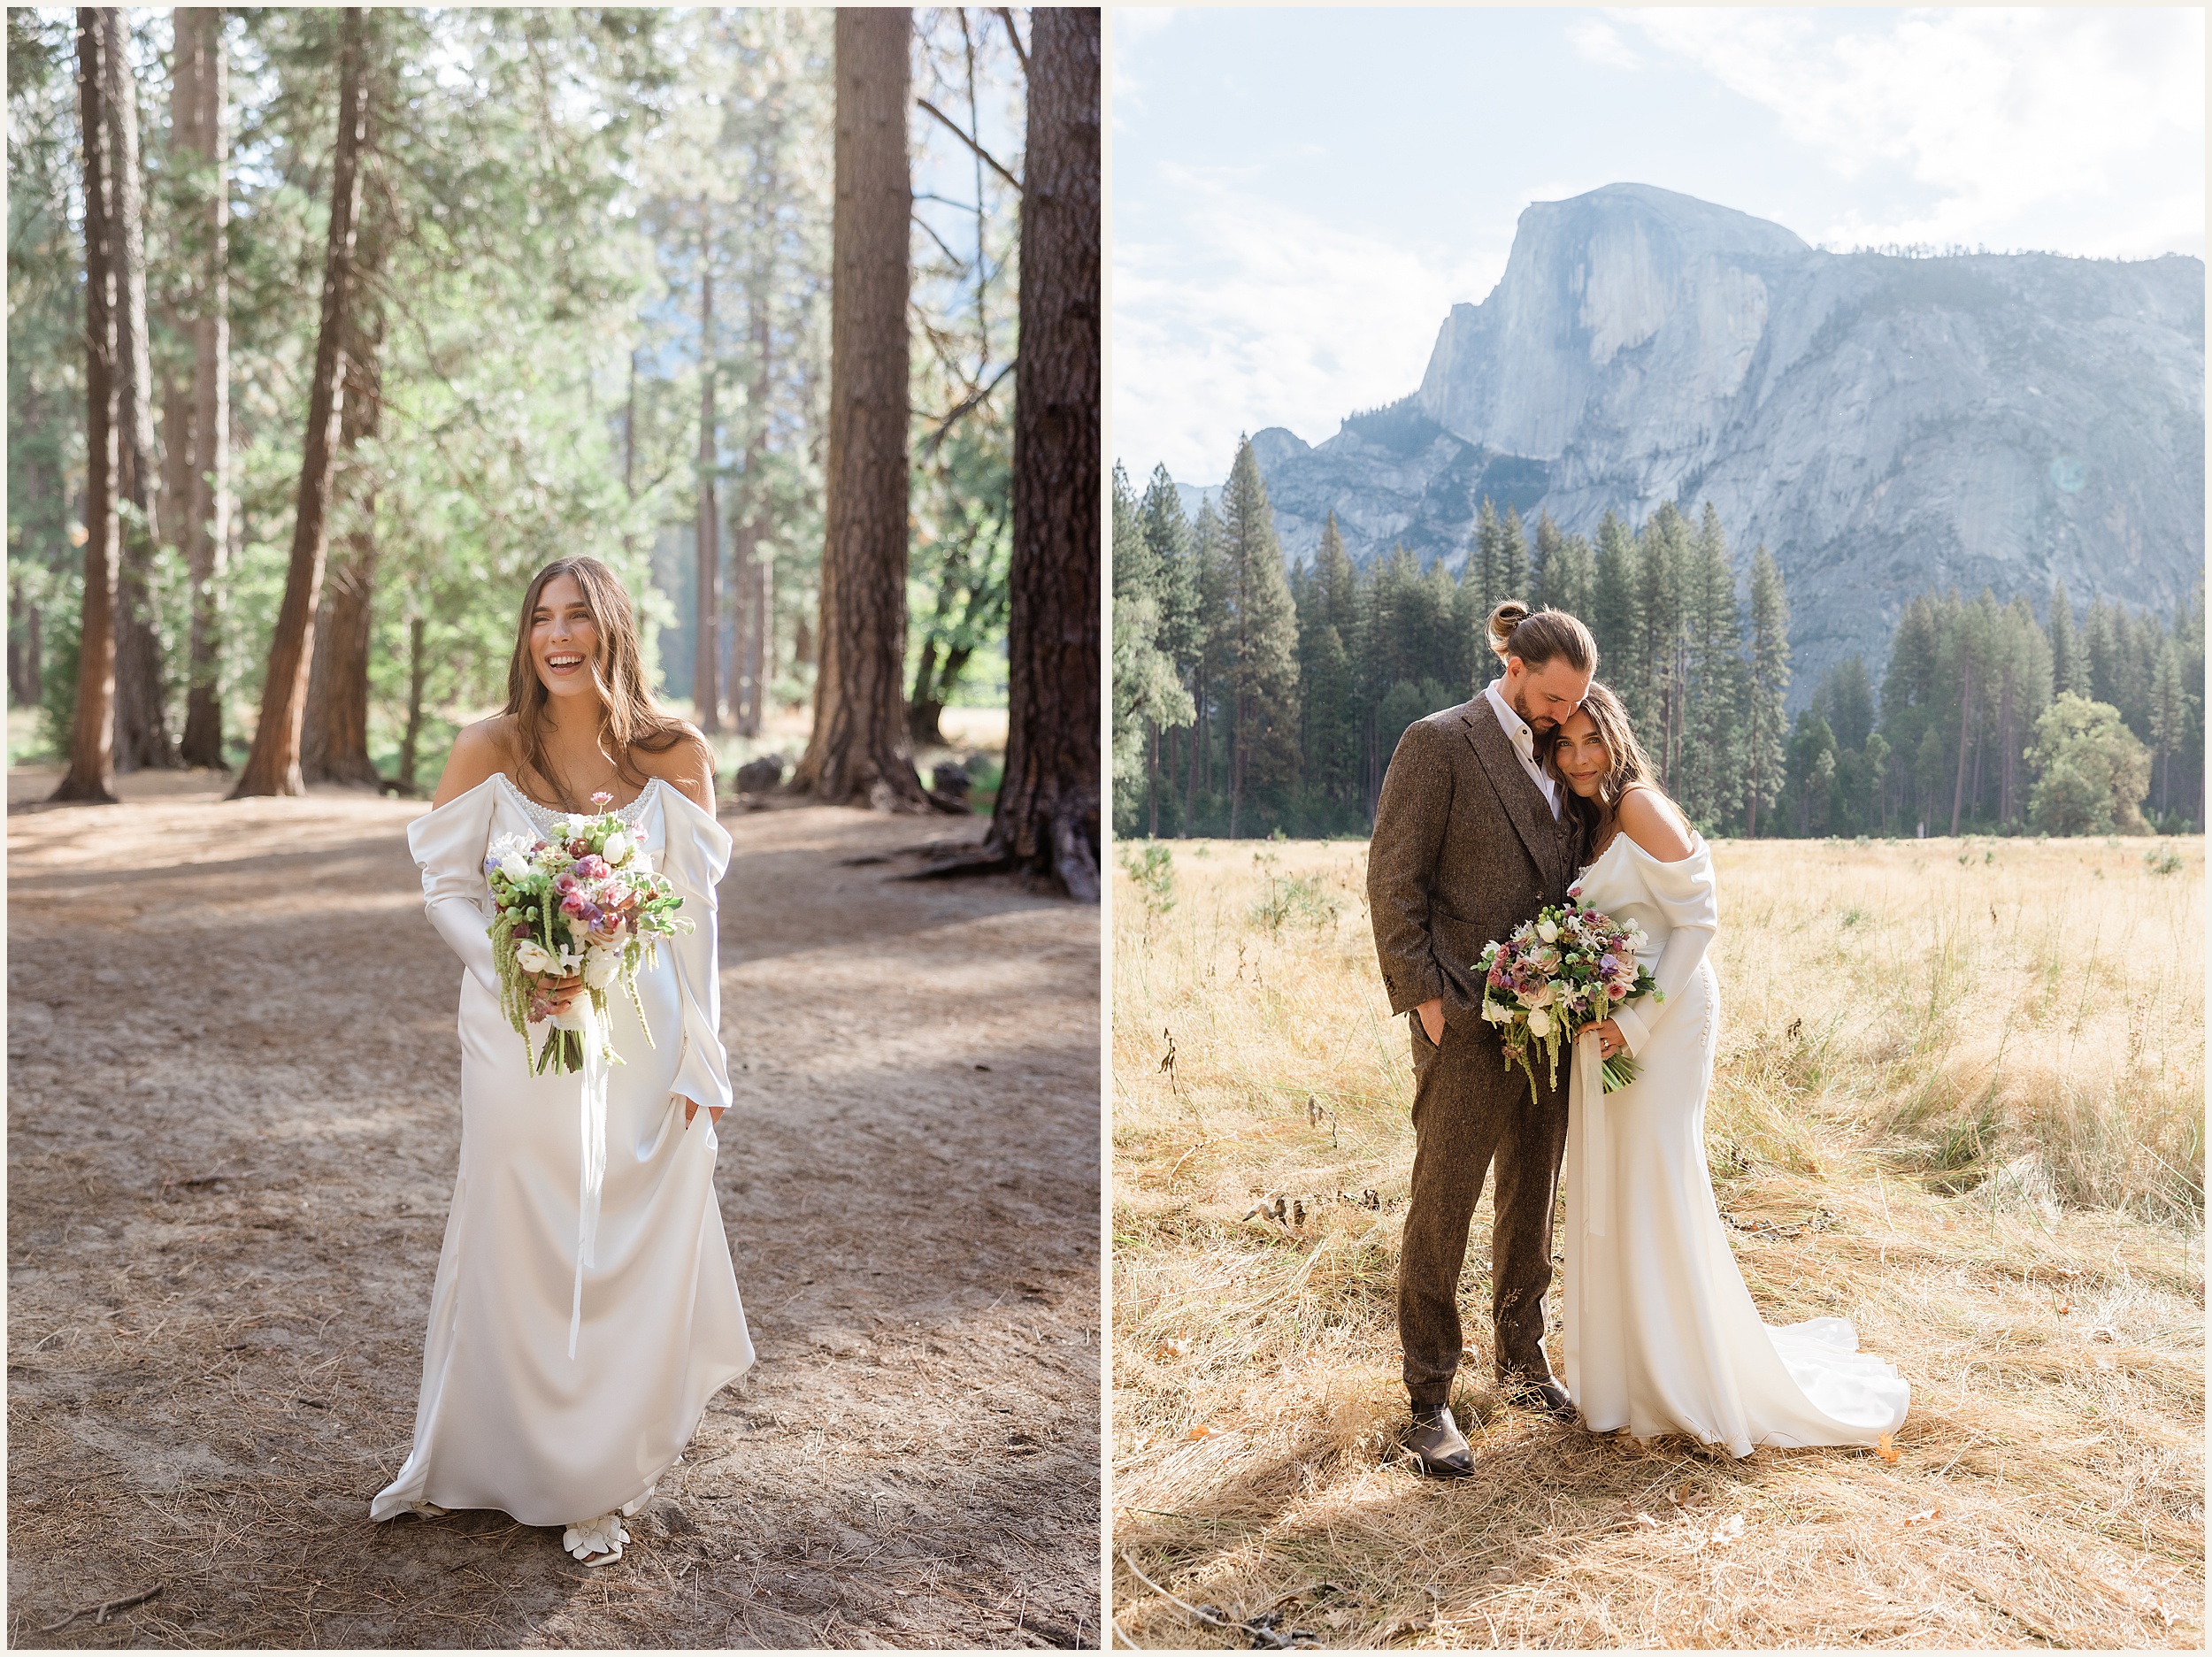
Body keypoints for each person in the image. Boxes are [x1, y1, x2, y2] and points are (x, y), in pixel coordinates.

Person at [370, 556, 754, 1565]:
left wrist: (703, 1057)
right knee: (520, 1227)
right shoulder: (488, 747)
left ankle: (596, 1474)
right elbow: (446, 891)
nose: (557, 635)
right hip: (514, 1029)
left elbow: (698, 920)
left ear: (613, 628)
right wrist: (513, 975)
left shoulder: (675, 753)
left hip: (642, 1033)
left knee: (623, 1239)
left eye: (578, 615)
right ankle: (490, 1458)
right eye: (541, 616)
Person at [1548, 683, 1909, 1452]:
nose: (1578, 758)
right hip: (1609, 1021)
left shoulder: (1640, 804)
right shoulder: (1587, 815)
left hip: (1666, 1016)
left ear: (1616, 737)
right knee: (1618, 1180)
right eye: (1565, 744)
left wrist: (1635, 1019)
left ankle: (1687, 1372)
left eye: (1591, 741)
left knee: (1659, 1172)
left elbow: (1698, 917)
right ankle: (1627, 1374)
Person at [1366, 599, 1597, 1478]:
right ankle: (1427, 1400)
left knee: (1531, 1199)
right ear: (1512, 670)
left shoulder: (1563, 754)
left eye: (1574, 700)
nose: (1564, 714)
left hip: (1550, 1022)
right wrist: (1426, 1002)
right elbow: (1393, 881)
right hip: (1461, 1018)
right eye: (1551, 697)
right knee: (1443, 1205)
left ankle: (1522, 1360)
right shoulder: (1439, 742)